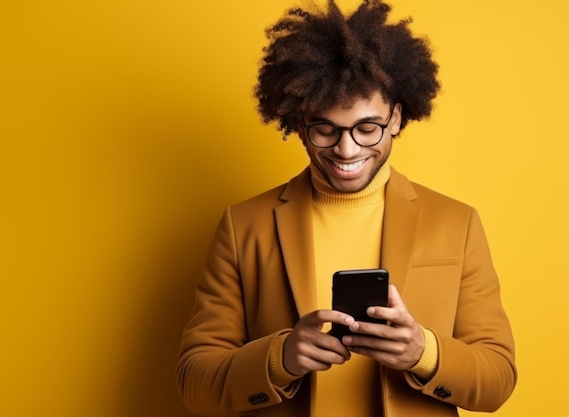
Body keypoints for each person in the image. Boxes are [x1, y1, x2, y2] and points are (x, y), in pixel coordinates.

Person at [176, 1, 517, 416]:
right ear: (300, 124)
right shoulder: (244, 225)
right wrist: (279, 357)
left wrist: (422, 352)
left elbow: (497, 380)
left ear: (395, 117)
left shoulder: (456, 222)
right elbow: (195, 383)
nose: (346, 149)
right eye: (325, 129)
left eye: (366, 128)